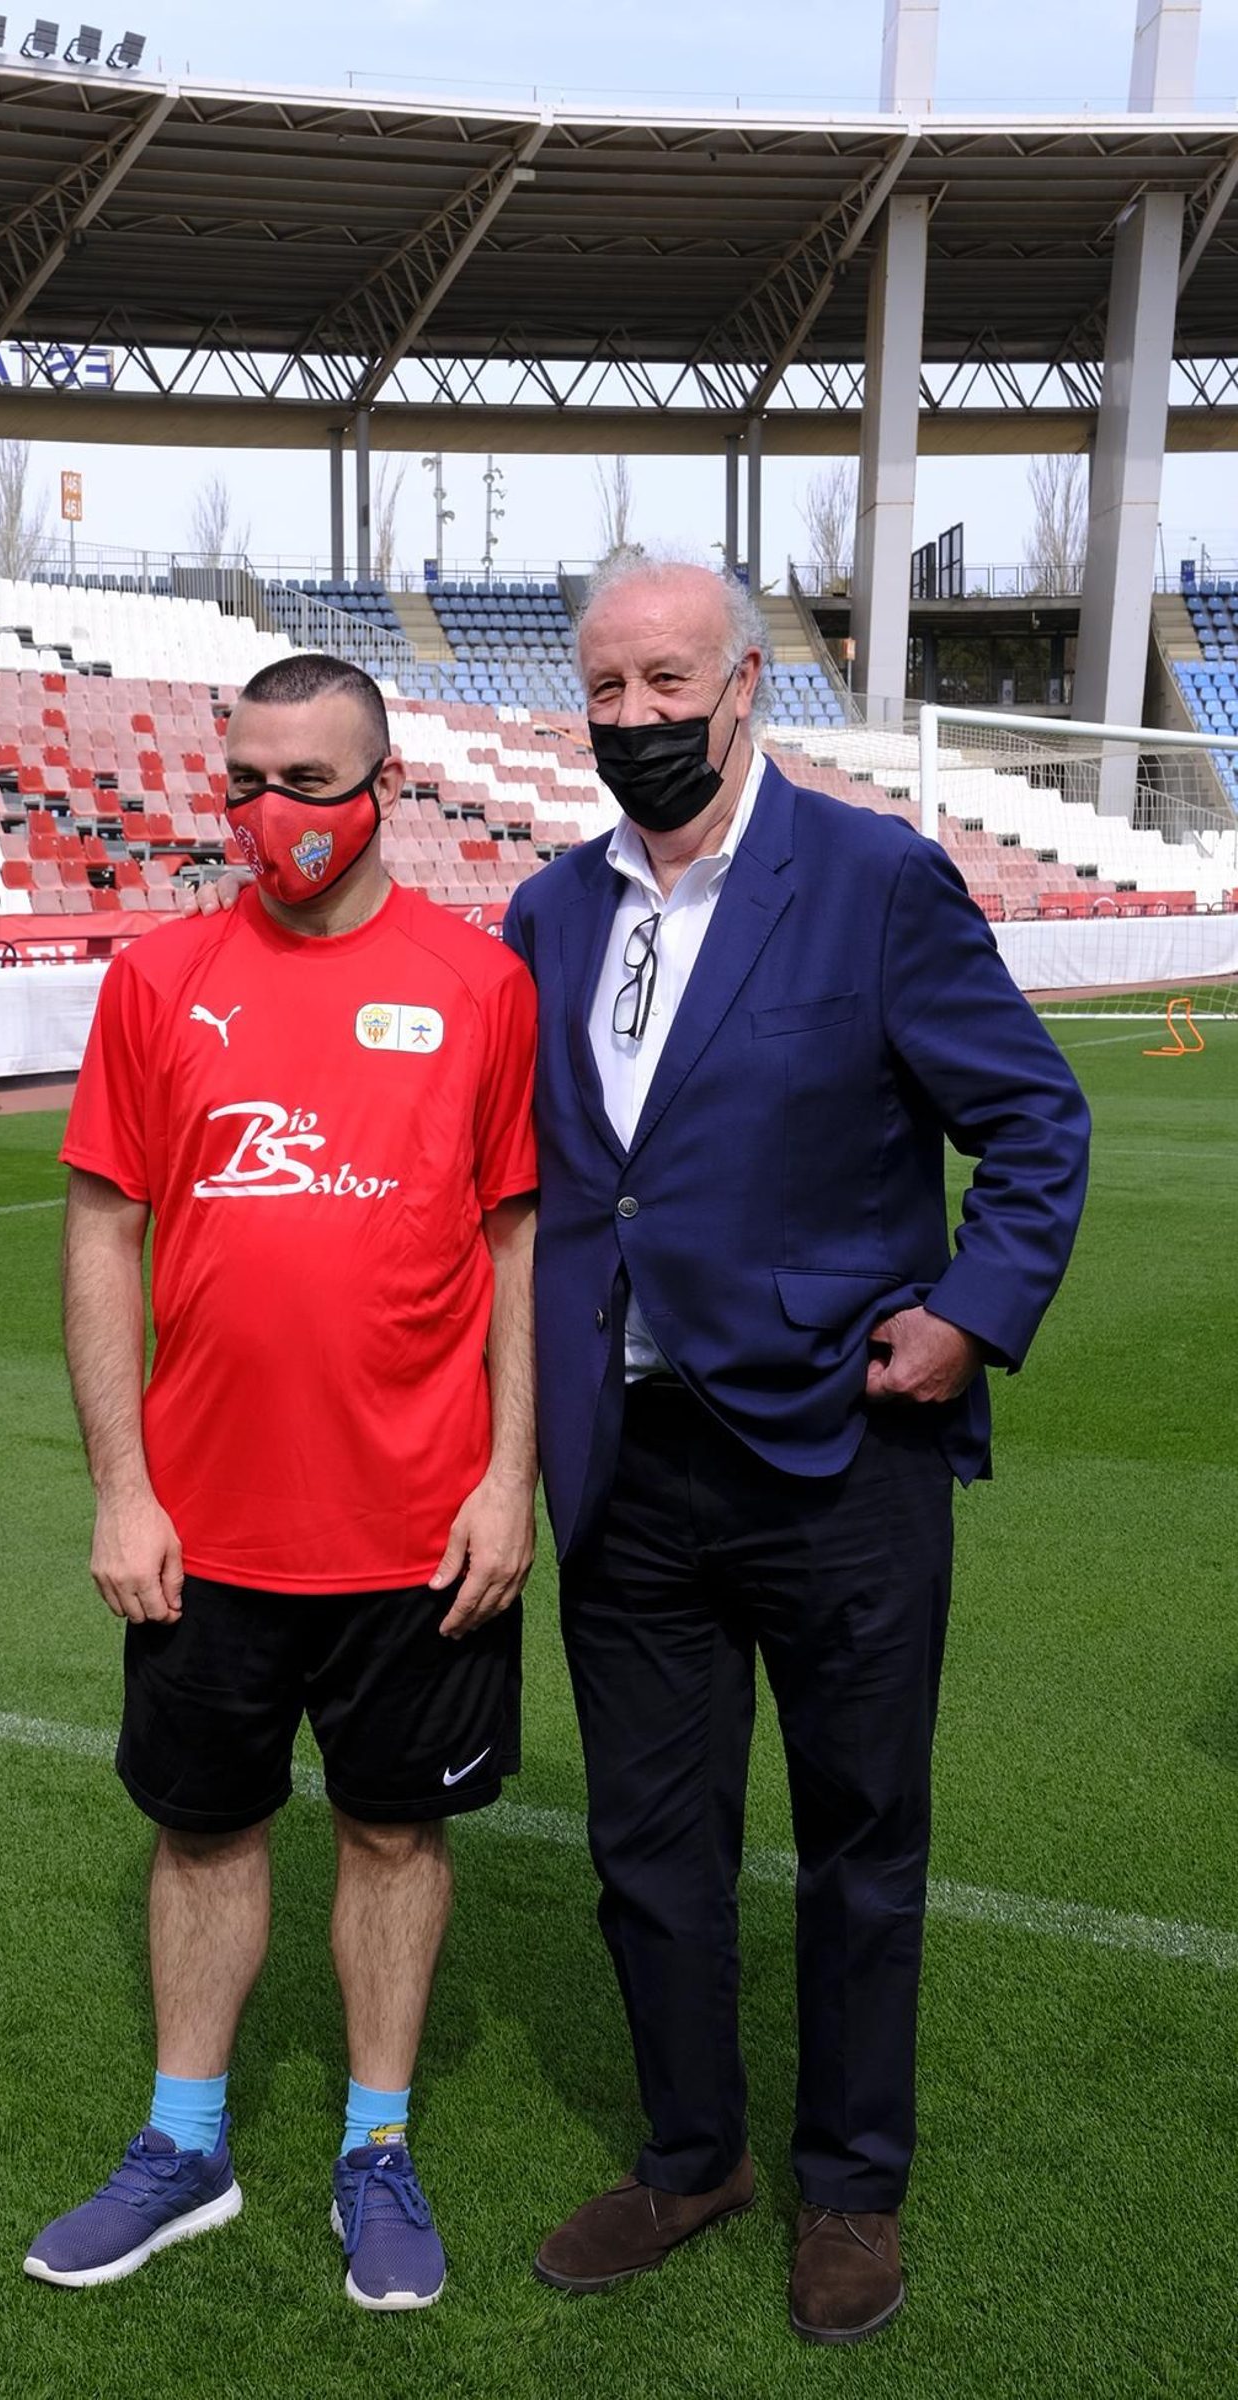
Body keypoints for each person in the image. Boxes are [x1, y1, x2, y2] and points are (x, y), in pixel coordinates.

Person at [505, 558, 1089, 2343]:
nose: (633, 722)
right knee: (647, 1846)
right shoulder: (546, 911)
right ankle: (694, 2158)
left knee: (861, 1843)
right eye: (604, 691)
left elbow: (1035, 1122)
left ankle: (851, 2186)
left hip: (842, 1458)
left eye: (665, 684)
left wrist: (969, 1314)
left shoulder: (875, 880)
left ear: (746, 684)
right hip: (630, 1465)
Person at [26, 653, 538, 2312]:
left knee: (394, 1834)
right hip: (205, 1528)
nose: (276, 815)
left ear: (384, 785)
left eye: (312, 783)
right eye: (249, 780)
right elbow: (105, 1232)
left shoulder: (480, 982)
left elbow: (518, 1243)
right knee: (203, 1833)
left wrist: (508, 1474)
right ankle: (187, 2144)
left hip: (418, 1526)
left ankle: (374, 2147)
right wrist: (122, 1485)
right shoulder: (159, 977)